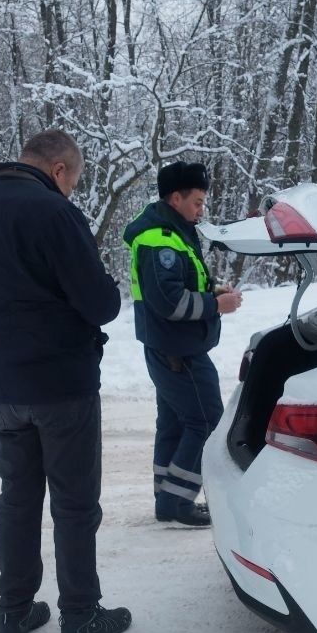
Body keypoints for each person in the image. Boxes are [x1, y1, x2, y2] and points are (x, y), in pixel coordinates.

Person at [0, 130, 131, 633]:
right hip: (61, 384)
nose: (72, 192)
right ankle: (80, 615)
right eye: (74, 181)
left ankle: (15, 611)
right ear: (59, 171)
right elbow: (100, 303)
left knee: (17, 499)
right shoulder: (53, 213)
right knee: (74, 504)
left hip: (1, 386)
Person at [124, 161, 242, 527]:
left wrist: (209, 290)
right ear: (176, 198)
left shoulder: (171, 232)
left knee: (175, 422)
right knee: (206, 422)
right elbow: (169, 301)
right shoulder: (159, 240)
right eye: (198, 202)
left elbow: (176, 289)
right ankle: (178, 502)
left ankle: (167, 497)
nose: (201, 210)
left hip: (170, 346)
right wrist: (215, 304)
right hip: (179, 351)